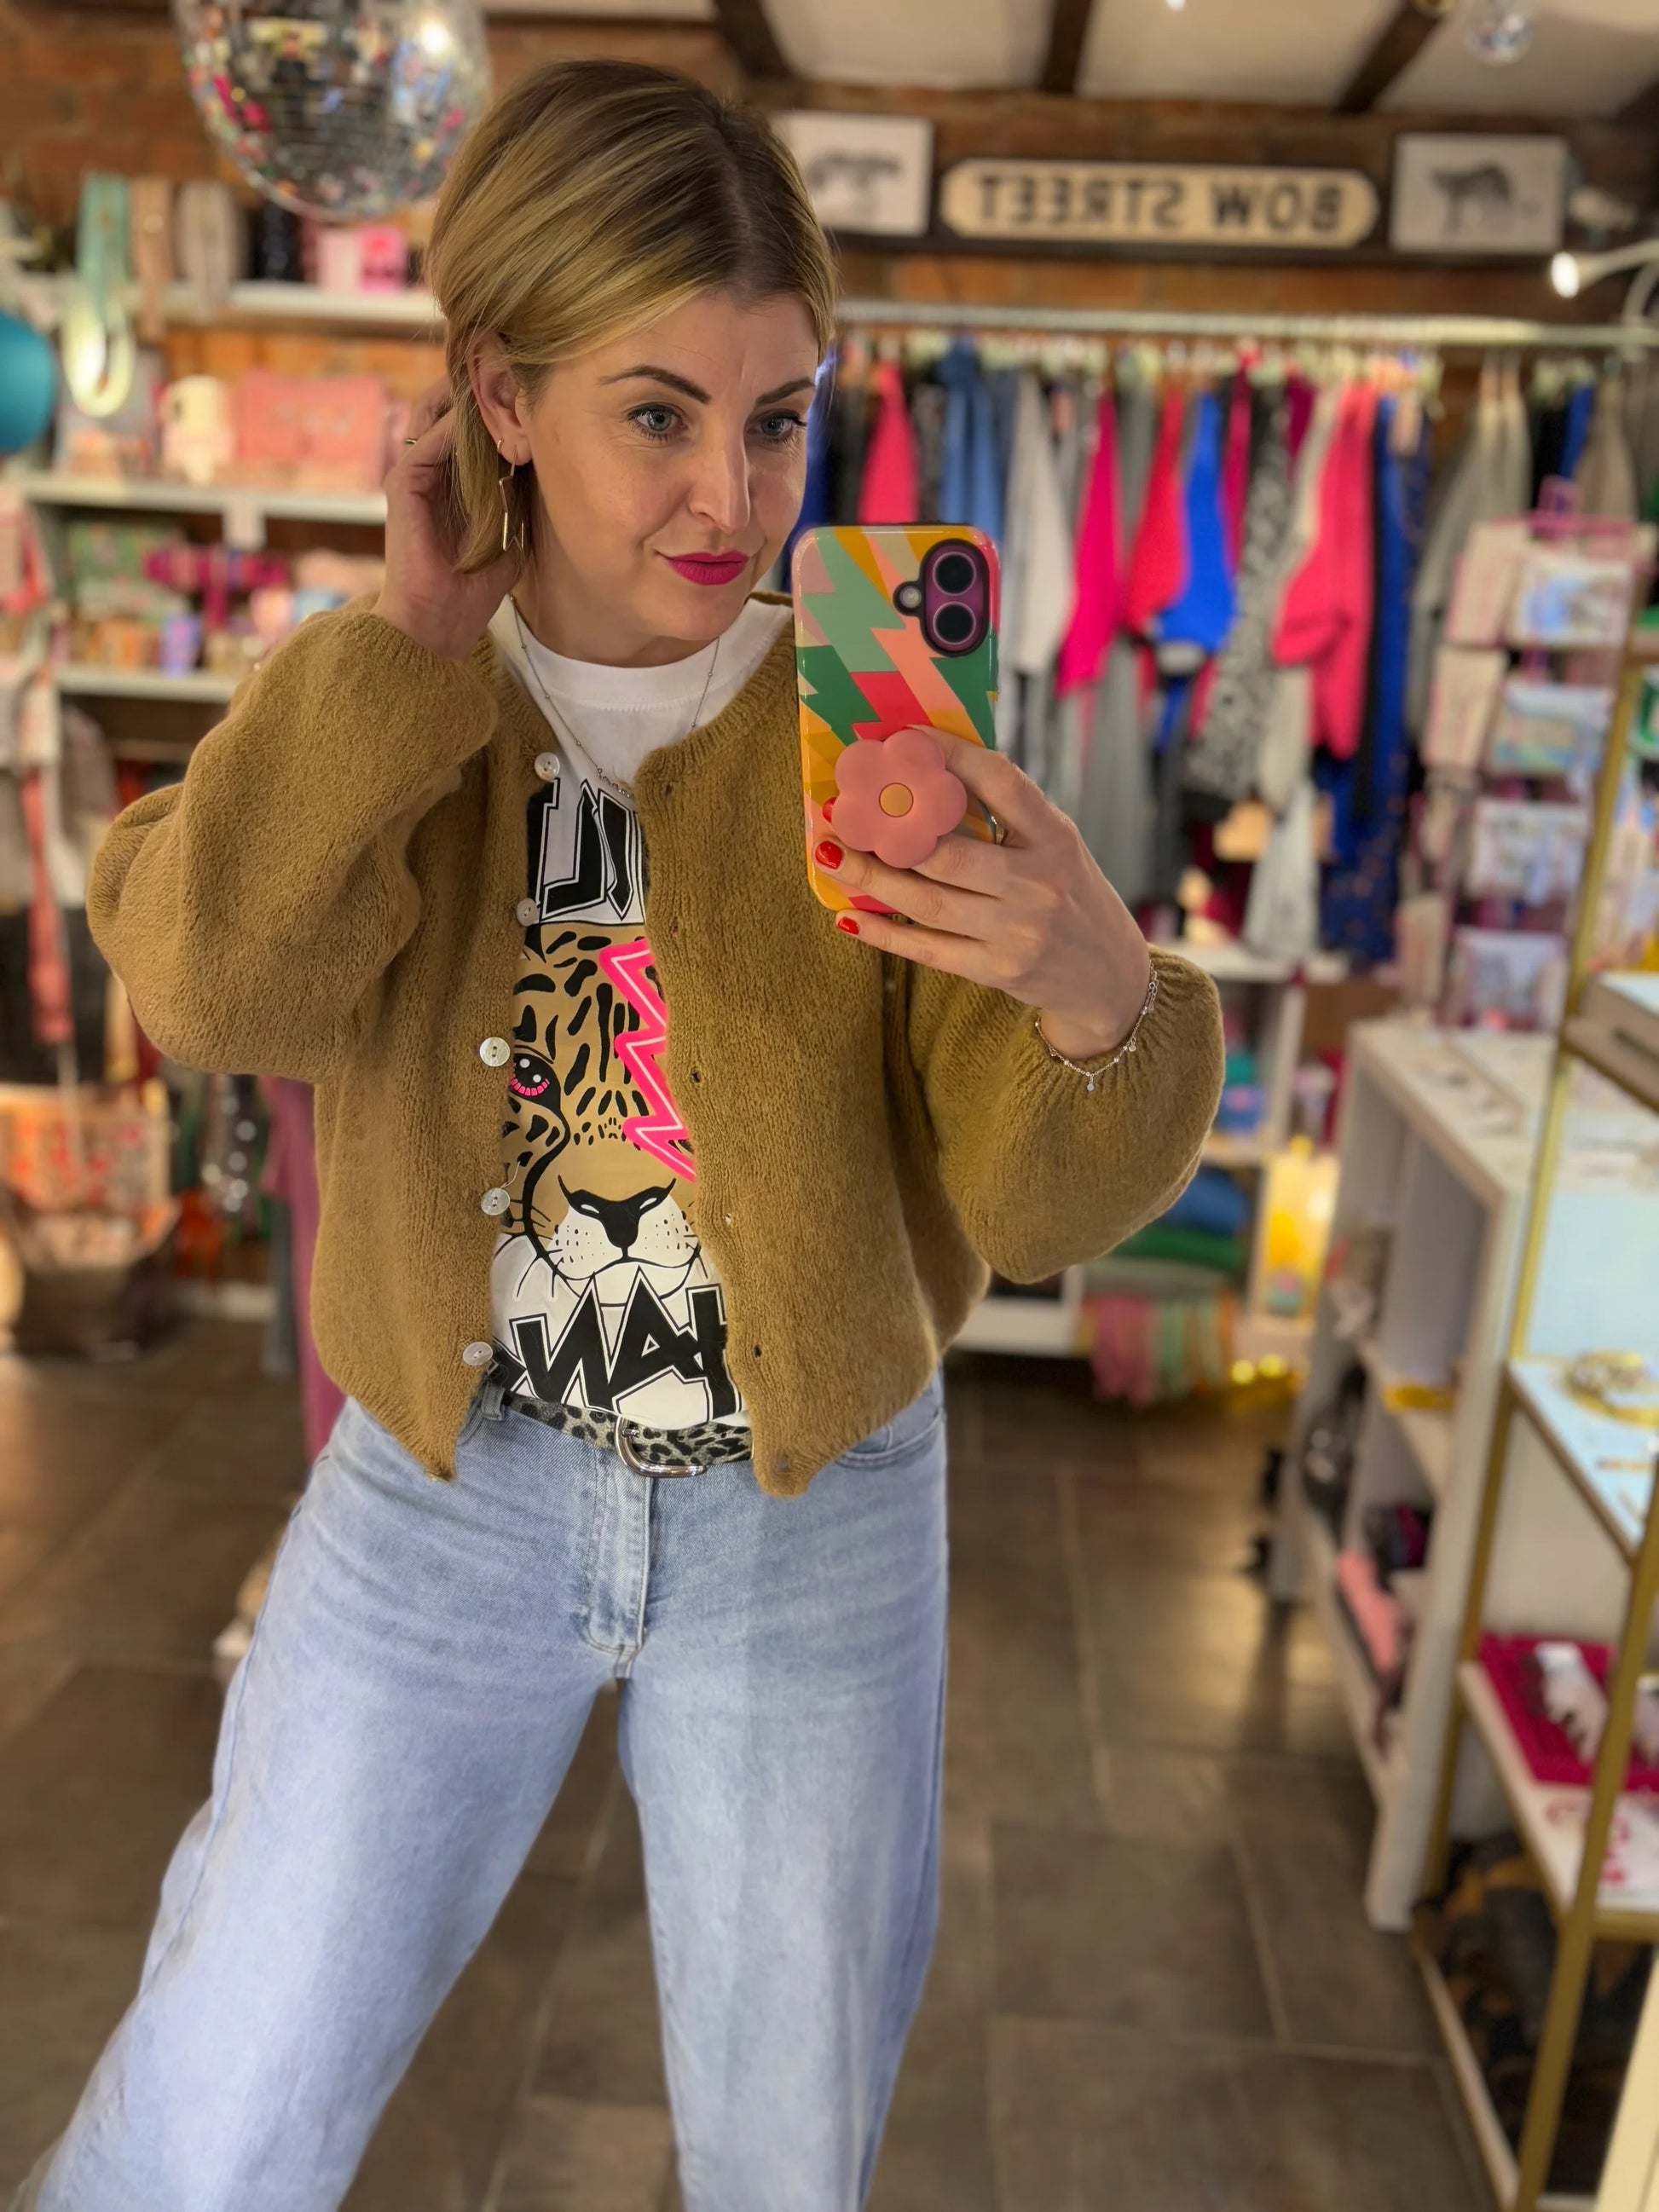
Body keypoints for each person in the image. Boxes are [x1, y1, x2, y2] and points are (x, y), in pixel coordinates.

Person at [19, 59, 1223, 2212]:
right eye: (653, 411)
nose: (728, 496)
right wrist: (401, 645)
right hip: (440, 1493)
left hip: (814, 1509)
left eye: (772, 418)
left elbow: (1033, 1202)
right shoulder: (390, 693)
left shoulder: (873, 728)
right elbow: (211, 991)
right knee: (211, 2104)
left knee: (784, 2150)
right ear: (498, 393)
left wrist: (1098, 998)